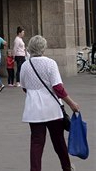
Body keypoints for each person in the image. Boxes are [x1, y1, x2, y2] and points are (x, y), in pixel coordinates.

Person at [20, 35, 80, 171]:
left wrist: (35, 94)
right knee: (58, 141)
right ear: (44, 48)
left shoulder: (25, 65)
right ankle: (66, 167)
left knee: (36, 143)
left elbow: (24, 87)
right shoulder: (50, 63)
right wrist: (72, 104)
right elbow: (58, 88)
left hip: (34, 110)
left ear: (30, 48)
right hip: (52, 109)